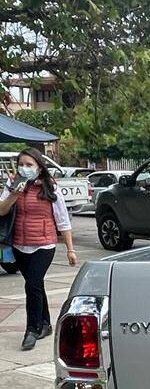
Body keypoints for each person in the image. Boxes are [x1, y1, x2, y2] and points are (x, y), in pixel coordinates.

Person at [0, 147, 78, 350]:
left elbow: (62, 221)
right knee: (35, 284)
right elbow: (1, 210)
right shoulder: (13, 183)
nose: (24, 169)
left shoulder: (50, 188)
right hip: (19, 243)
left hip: (44, 244)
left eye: (29, 165)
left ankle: (32, 329)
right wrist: (14, 195)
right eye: (21, 165)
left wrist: (71, 249)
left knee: (32, 285)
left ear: (39, 168)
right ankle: (45, 324)